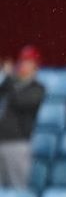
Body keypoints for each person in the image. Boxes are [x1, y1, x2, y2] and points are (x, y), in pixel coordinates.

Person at [0, 45, 45, 189]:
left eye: (28, 62)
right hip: (2, 138)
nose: (23, 65)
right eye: (22, 61)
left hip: (18, 142)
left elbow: (20, 101)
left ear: (35, 66)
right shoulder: (10, 83)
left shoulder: (37, 88)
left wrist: (9, 78)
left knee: (16, 186)